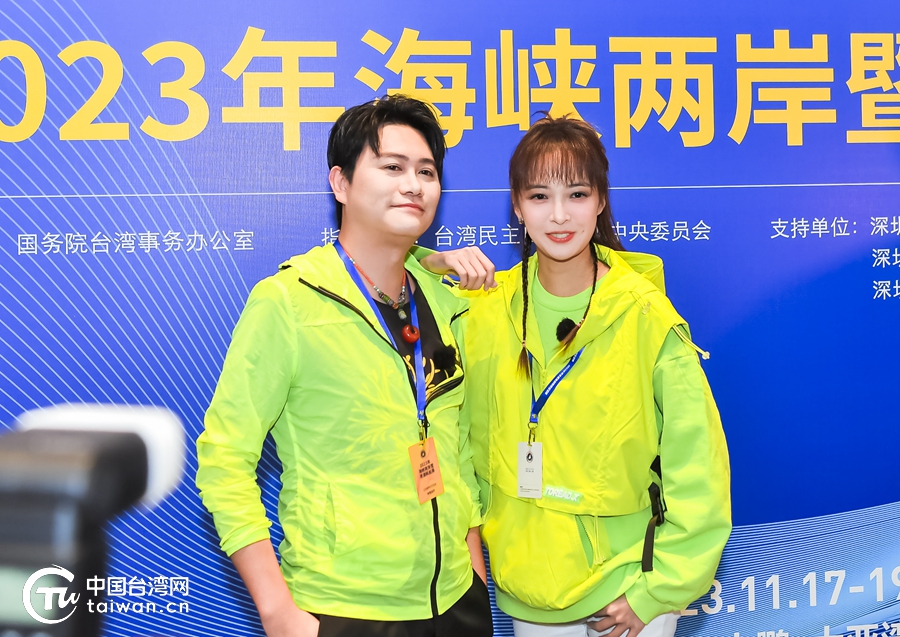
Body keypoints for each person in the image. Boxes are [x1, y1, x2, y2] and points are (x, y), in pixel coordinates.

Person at [421, 115, 731, 637]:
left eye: (578, 194)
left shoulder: (645, 316)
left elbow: (698, 468)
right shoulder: (484, 310)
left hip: (628, 591)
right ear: (517, 206)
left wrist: (656, 593)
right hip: (528, 592)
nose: (560, 215)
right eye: (540, 196)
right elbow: (385, 271)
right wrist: (436, 260)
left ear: (601, 200)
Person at [195, 95, 492, 637]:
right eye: (392, 167)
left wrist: (472, 571)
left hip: (455, 602)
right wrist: (277, 611)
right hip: (344, 609)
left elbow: (459, 449)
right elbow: (225, 460)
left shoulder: (444, 300)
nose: (413, 185)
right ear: (341, 183)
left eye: (426, 171)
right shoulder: (287, 301)